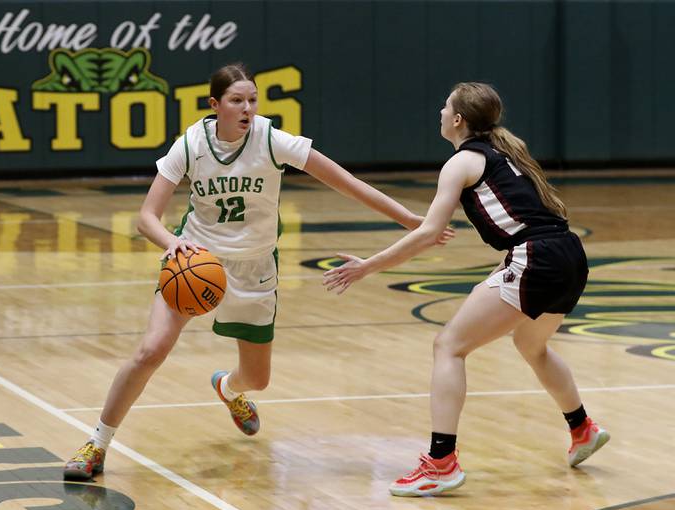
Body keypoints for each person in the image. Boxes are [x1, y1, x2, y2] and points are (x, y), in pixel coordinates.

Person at [63, 63, 453, 480]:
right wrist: (171, 242)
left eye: (252, 99)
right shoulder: (191, 144)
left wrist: (411, 220)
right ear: (215, 105)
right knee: (150, 351)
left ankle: (228, 389)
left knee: (258, 379)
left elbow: (346, 182)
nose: (247, 108)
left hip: (255, 268)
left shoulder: (271, 140)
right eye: (236, 100)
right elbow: (146, 217)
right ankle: (97, 445)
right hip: (195, 259)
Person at [322, 82, 609, 497]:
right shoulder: (505, 154)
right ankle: (582, 429)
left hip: (537, 258)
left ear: (458, 119)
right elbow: (526, 219)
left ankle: (441, 463)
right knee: (532, 346)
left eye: (445, 107)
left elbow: (429, 233)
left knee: (448, 346)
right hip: (568, 254)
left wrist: (367, 267)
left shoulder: (462, 162)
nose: (439, 112)